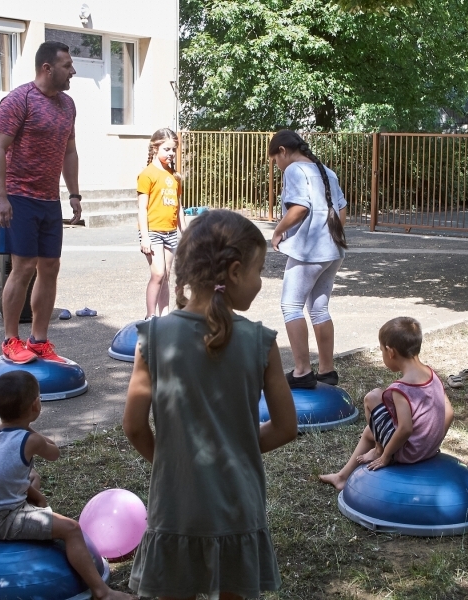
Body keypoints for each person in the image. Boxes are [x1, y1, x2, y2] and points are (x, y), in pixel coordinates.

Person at [122, 210, 298, 600]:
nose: (261, 281)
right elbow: (286, 427)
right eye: (259, 271)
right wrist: (235, 449)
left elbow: (134, 427)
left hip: (176, 504)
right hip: (238, 504)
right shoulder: (262, 342)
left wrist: (173, 462)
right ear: (234, 272)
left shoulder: (152, 337)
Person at [0, 371, 133, 600]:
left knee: (31, 475)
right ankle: (102, 592)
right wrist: (29, 429)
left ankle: (37, 504)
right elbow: (53, 452)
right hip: (0, 520)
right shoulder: (30, 440)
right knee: (71, 529)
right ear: (35, 405)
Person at [0, 41, 81, 364]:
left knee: (50, 268)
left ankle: (39, 339)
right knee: (23, 267)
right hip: (19, 196)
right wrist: (0, 196)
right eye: (67, 65)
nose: (73, 71)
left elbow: (69, 151)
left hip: (48, 199)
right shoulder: (19, 100)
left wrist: (74, 194)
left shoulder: (68, 105)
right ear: (47, 68)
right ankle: (10, 339)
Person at [319, 317, 454, 491]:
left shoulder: (400, 389)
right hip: (426, 450)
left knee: (373, 397)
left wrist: (385, 456)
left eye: (382, 350)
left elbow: (405, 429)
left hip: (407, 453)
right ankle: (342, 477)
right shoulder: (431, 374)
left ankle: (378, 450)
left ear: (390, 352)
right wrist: (431, 444)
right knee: (370, 430)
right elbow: (449, 413)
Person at [268, 130, 348, 389]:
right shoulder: (326, 170)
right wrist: (331, 237)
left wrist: (278, 231)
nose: (277, 167)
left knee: (291, 306)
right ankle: (327, 371)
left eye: (275, 161)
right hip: (333, 250)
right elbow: (342, 209)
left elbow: (300, 208)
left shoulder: (294, 170)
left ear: (282, 151)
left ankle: (302, 371)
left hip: (309, 251)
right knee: (319, 309)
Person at [137, 128, 186, 319]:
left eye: (173, 150)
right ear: (155, 148)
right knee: (157, 274)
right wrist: (145, 237)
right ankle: (150, 316)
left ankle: (164, 316)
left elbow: (179, 206)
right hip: (153, 232)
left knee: (165, 275)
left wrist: (186, 231)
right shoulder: (147, 174)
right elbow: (142, 208)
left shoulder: (174, 176)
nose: (171, 153)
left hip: (170, 232)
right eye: (166, 149)